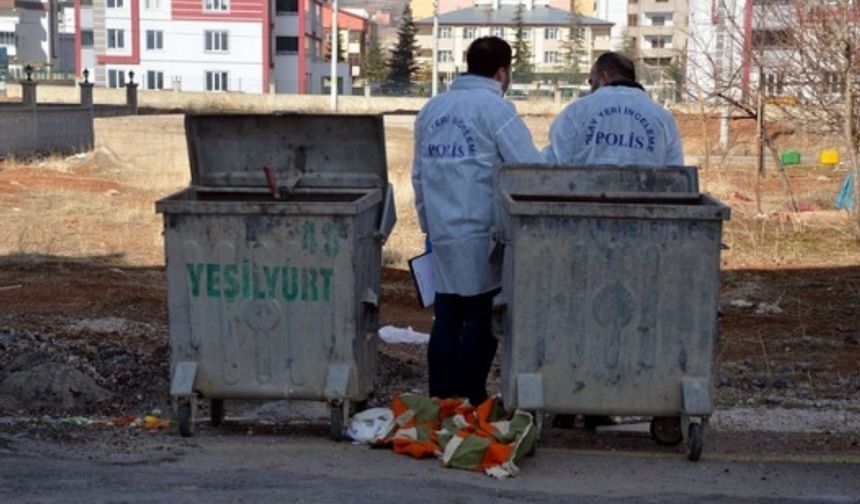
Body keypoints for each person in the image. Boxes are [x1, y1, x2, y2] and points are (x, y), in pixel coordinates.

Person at [411, 36, 540, 406]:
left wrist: (428, 223)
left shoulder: (432, 109)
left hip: (442, 231)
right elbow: (527, 167)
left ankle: (440, 399)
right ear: (502, 72)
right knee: (481, 320)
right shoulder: (496, 110)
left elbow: (418, 176)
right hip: (483, 234)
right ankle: (471, 398)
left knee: (447, 315)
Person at [542, 51, 683, 167]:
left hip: (585, 198)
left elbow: (553, 164)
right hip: (645, 199)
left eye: (591, 81)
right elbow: (675, 173)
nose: (591, 87)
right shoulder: (663, 119)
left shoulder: (576, 112)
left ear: (604, 77)